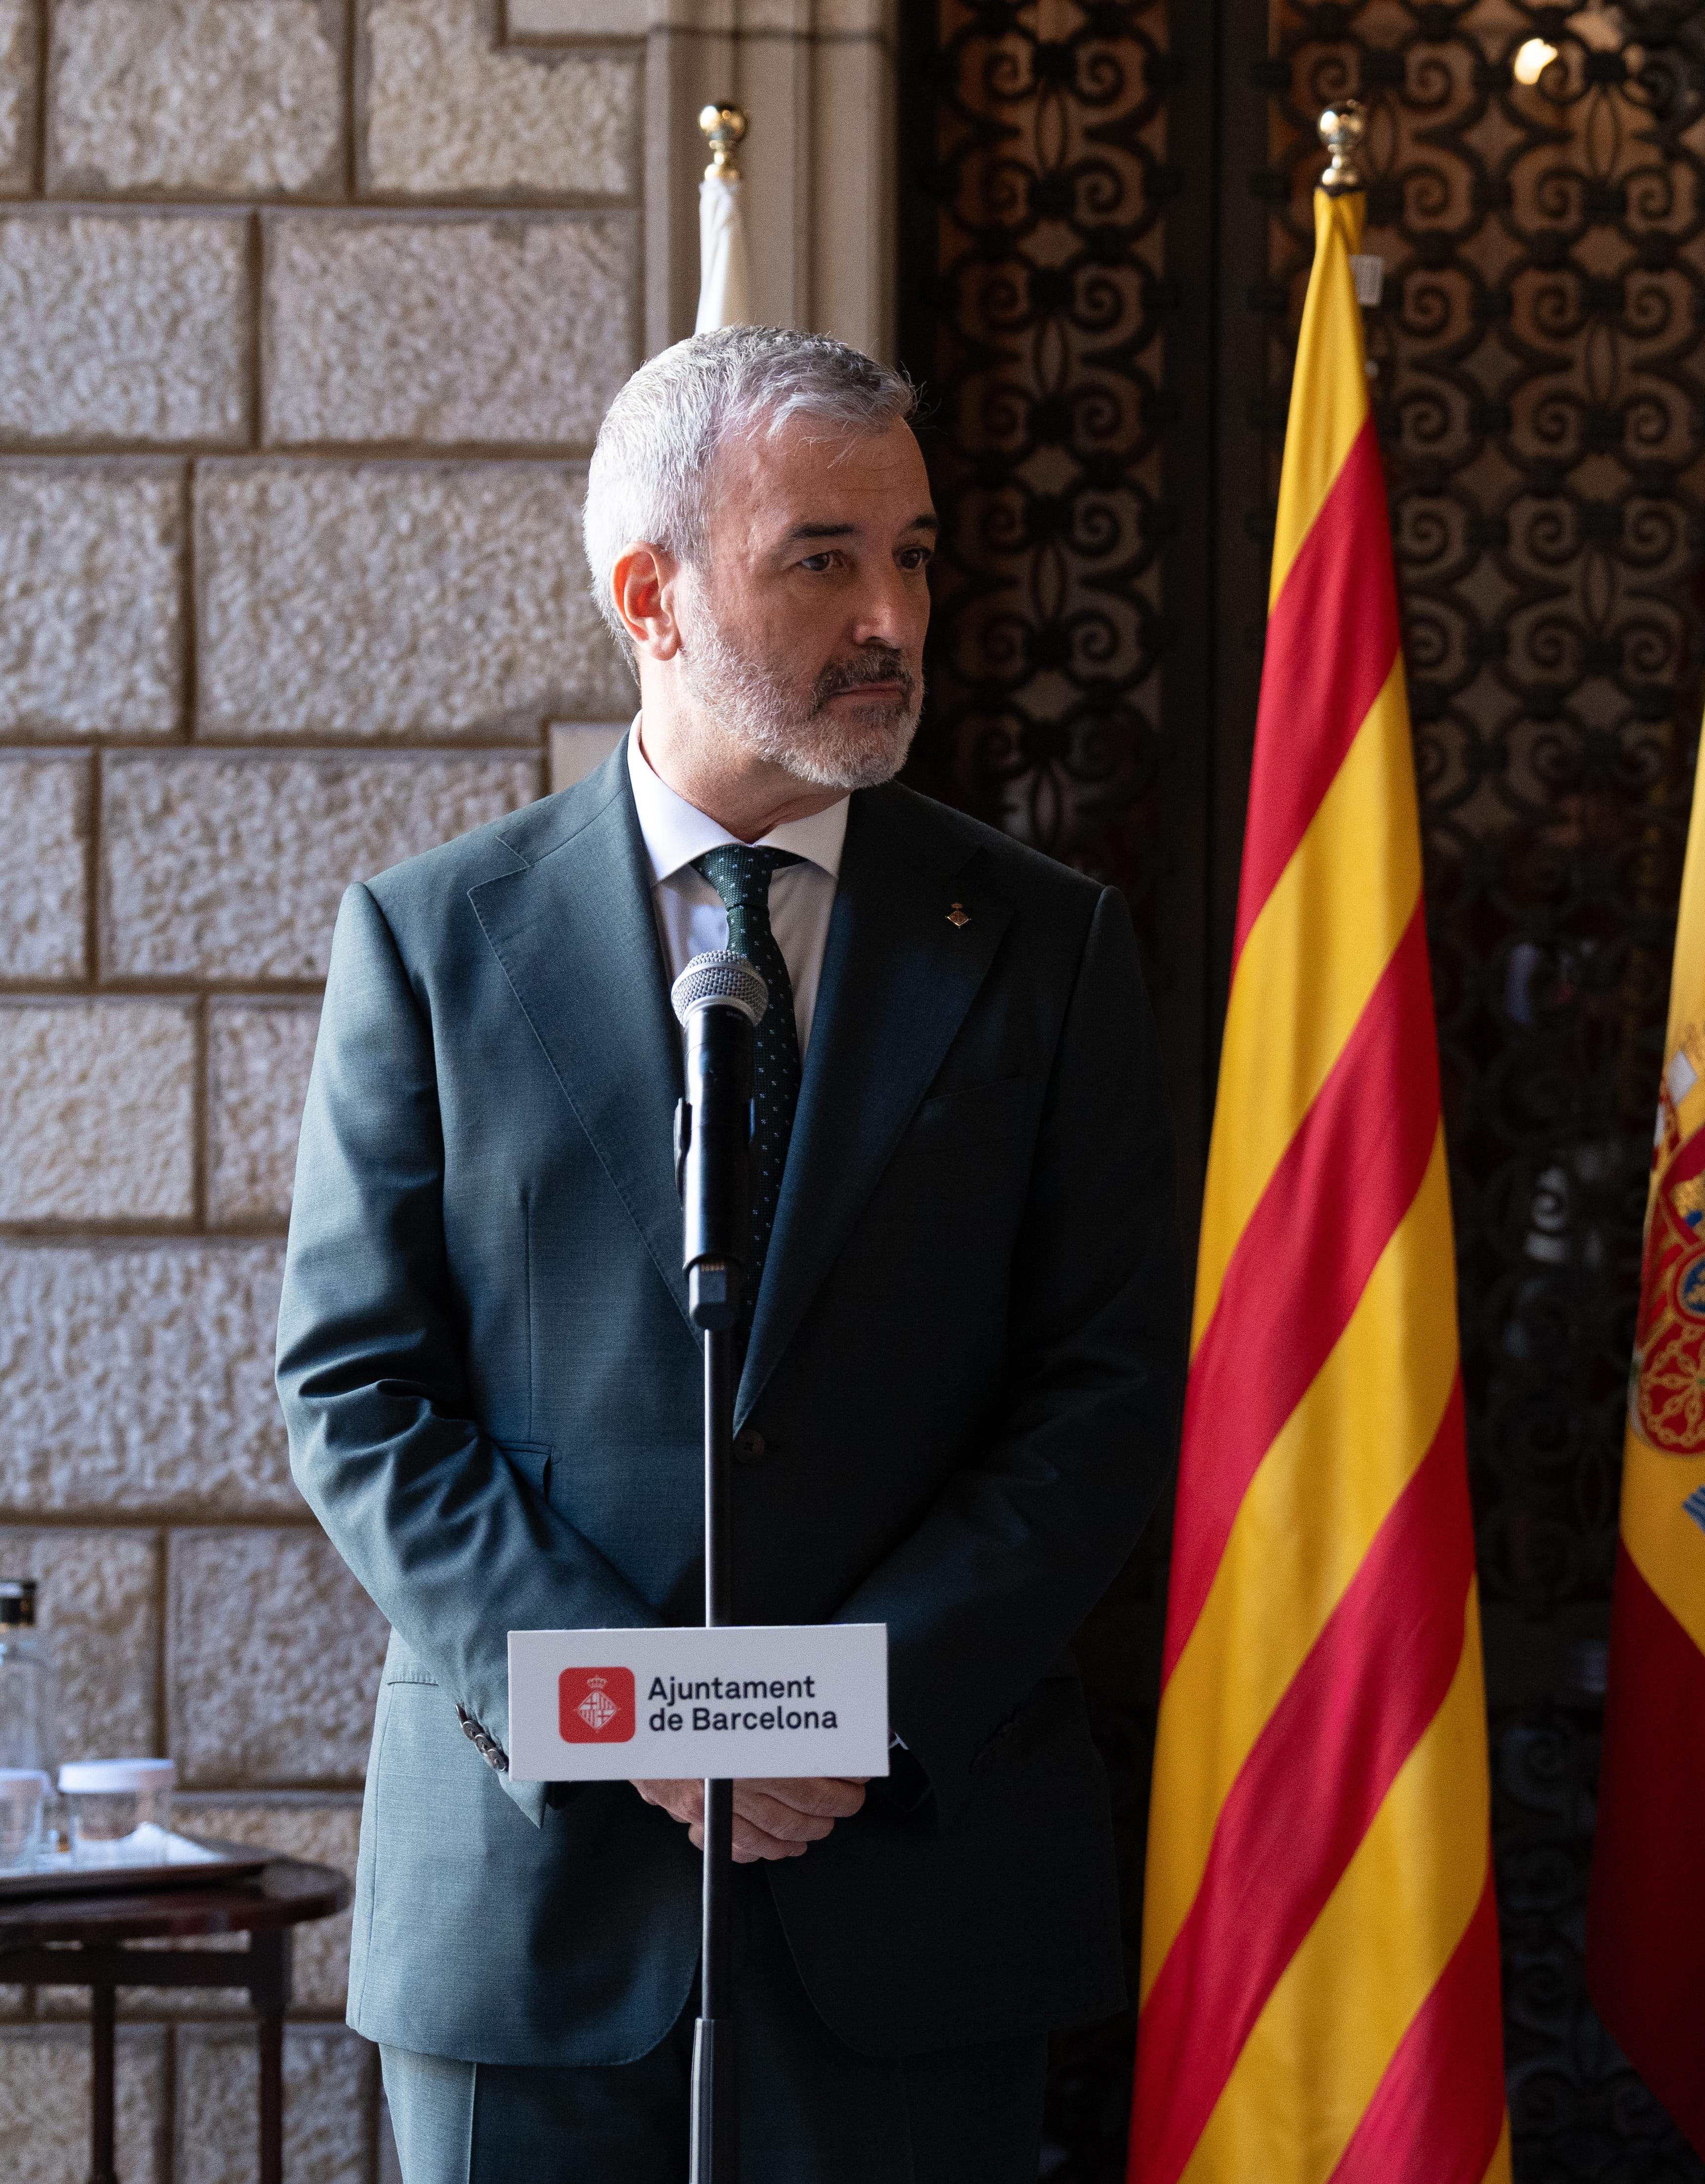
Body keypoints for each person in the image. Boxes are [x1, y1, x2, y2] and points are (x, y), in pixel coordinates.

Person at [278, 326, 1187, 2181]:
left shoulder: (1047, 944)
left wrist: (848, 1707)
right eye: (823, 557)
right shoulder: (435, 940)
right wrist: (642, 1710)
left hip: (913, 1901)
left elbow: (1103, 1397)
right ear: (652, 596)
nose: (892, 617)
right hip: (532, 1918)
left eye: (914, 555)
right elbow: (359, 1392)